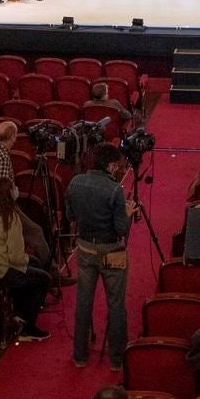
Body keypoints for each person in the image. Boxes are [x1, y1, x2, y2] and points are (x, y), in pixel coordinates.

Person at [68, 143, 136, 370]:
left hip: (85, 249)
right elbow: (120, 229)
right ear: (110, 165)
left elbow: (70, 215)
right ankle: (117, 360)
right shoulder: (114, 189)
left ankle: (80, 356)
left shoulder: (75, 182)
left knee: (83, 303)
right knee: (116, 305)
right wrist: (127, 213)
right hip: (111, 251)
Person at [0, 176, 51, 340]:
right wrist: (26, 259)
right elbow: (16, 258)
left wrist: (27, 260)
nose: (16, 190)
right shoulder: (10, 218)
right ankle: (28, 327)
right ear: (8, 194)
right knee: (45, 278)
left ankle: (21, 311)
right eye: (13, 188)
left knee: (35, 262)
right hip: (4, 270)